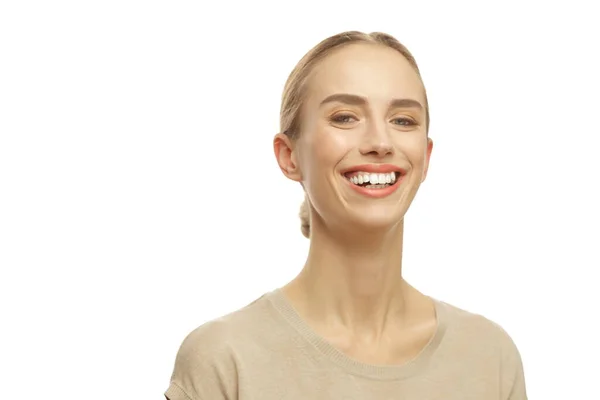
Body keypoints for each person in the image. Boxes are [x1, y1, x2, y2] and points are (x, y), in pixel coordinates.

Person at [164, 30, 527, 399]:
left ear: (426, 156)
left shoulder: (489, 358)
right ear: (289, 156)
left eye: (402, 120)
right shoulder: (225, 360)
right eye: (345, 117)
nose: (380, 143)